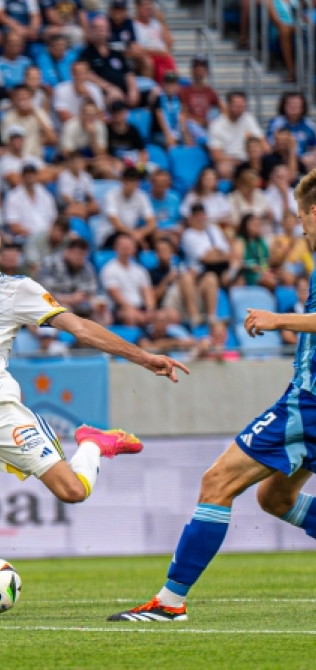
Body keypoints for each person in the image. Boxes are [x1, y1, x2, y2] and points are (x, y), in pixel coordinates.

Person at [0, 172, 188, 618]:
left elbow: (79, 328)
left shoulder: (16, 291)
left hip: (1, 414)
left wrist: (143, 357)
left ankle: (92, 444)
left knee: (73, 491)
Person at [109, 169, 316, 622]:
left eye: (303, 221)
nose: (302, 230)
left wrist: (279, 320)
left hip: (308, 406)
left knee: (216, 482)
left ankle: (169, 602)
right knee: (273, 499)